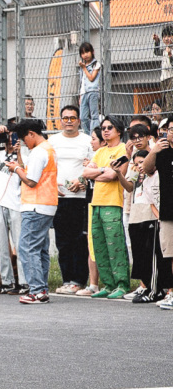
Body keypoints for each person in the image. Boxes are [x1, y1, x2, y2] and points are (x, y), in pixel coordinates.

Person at [10, 119, 59, 304]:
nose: (24, 143)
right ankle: (42, 289)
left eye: (24, 139)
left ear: (31, 133)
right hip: (47, 204)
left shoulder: (39, 152)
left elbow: (31, 181)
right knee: (40, 249)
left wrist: (15, 168)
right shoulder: (49, 148)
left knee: (27, 248)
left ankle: (37, 291)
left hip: (36, 205)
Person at [81, 116, 129, 298]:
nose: (105, 130)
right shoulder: (100, 152)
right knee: (100, 247)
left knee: (115, 245)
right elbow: (86, 172)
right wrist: (101, 171)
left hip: (113, 203)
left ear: (118, 130)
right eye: (103, 128)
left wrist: (97, 173)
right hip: (96, 203)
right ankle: (108, 284)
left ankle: (121, 284)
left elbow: (114, 175)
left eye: (110, 127)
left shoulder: (123, 149)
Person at [50, 105, 92, 293]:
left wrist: (83, 181)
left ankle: (79, 280)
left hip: (80, 197)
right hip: (59, 196)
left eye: (72, 118)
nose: (69, 121)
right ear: (60, 120)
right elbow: (47, 167)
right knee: (62, 241)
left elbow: (93, 165)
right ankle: (66, 279)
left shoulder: (87, 141)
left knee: (79, 241)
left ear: (78, 121)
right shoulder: (52, 141)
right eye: (65, 118)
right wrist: (53, 187)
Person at [0, 126, 25, 295]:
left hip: (15, 203)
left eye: (15, 136)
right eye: (9, 136)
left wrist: (20, 151)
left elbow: (25, 171)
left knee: (19, 244)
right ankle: (7, 281)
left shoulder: (26, 154)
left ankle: (23, 283)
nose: (11, 139)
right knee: (1, 245)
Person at [139, 119, 173, 306]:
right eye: (170, 129)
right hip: (167, 210)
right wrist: (154, 150)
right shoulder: (162, 153)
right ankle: (171, 292)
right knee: (169, 254)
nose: (172, 132)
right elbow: (147, 168)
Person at [122, 144, 157, 301]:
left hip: (150, 215)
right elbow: (129, 188)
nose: (139, 166)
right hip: (136, 213)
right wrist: (119, 172)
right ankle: (143, 286)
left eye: (142, 162)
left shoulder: (154, 174)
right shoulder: (135, 174)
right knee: (138, 252)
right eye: (136, 163)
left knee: (150, 252)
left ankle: (153, 288)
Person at [78, 42, 101, 134]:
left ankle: (94, 135)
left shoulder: (96, 64)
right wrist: (80, 95)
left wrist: (84, 68)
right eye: (83, 53)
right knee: (83, 117)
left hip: (93, 91)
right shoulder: (82, 66)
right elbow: (82, 82)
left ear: (92, 52)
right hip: (84, 93)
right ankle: (88, 135)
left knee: (94, 115)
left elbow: (91, 78)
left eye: (87, 52)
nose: (85, 55)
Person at [155, 26, 173, 112]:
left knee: (170, 98)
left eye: (169, 36)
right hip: (163, 78)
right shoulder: (164, 50)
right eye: (164, 36)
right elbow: (156, 52)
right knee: (164, 99)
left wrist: (170, 56)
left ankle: (170, 115)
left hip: (171, 77)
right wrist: (157, 42)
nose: (166, 39)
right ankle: (166, 114)